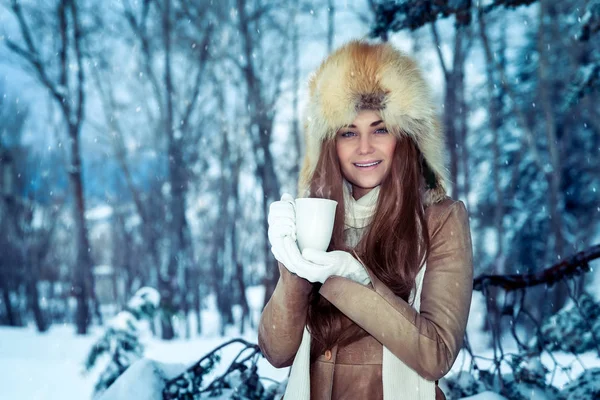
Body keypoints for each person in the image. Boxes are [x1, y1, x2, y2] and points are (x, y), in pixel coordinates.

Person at [259, 40, 473, 400]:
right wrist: (291, 265)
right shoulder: (315, 216)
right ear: (331, 143)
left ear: (404, 138)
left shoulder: (440, 218)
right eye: (348, 132)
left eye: (380, 129)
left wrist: (356, 278)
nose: (364, 148)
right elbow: (277, 352)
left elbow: (436, 354)